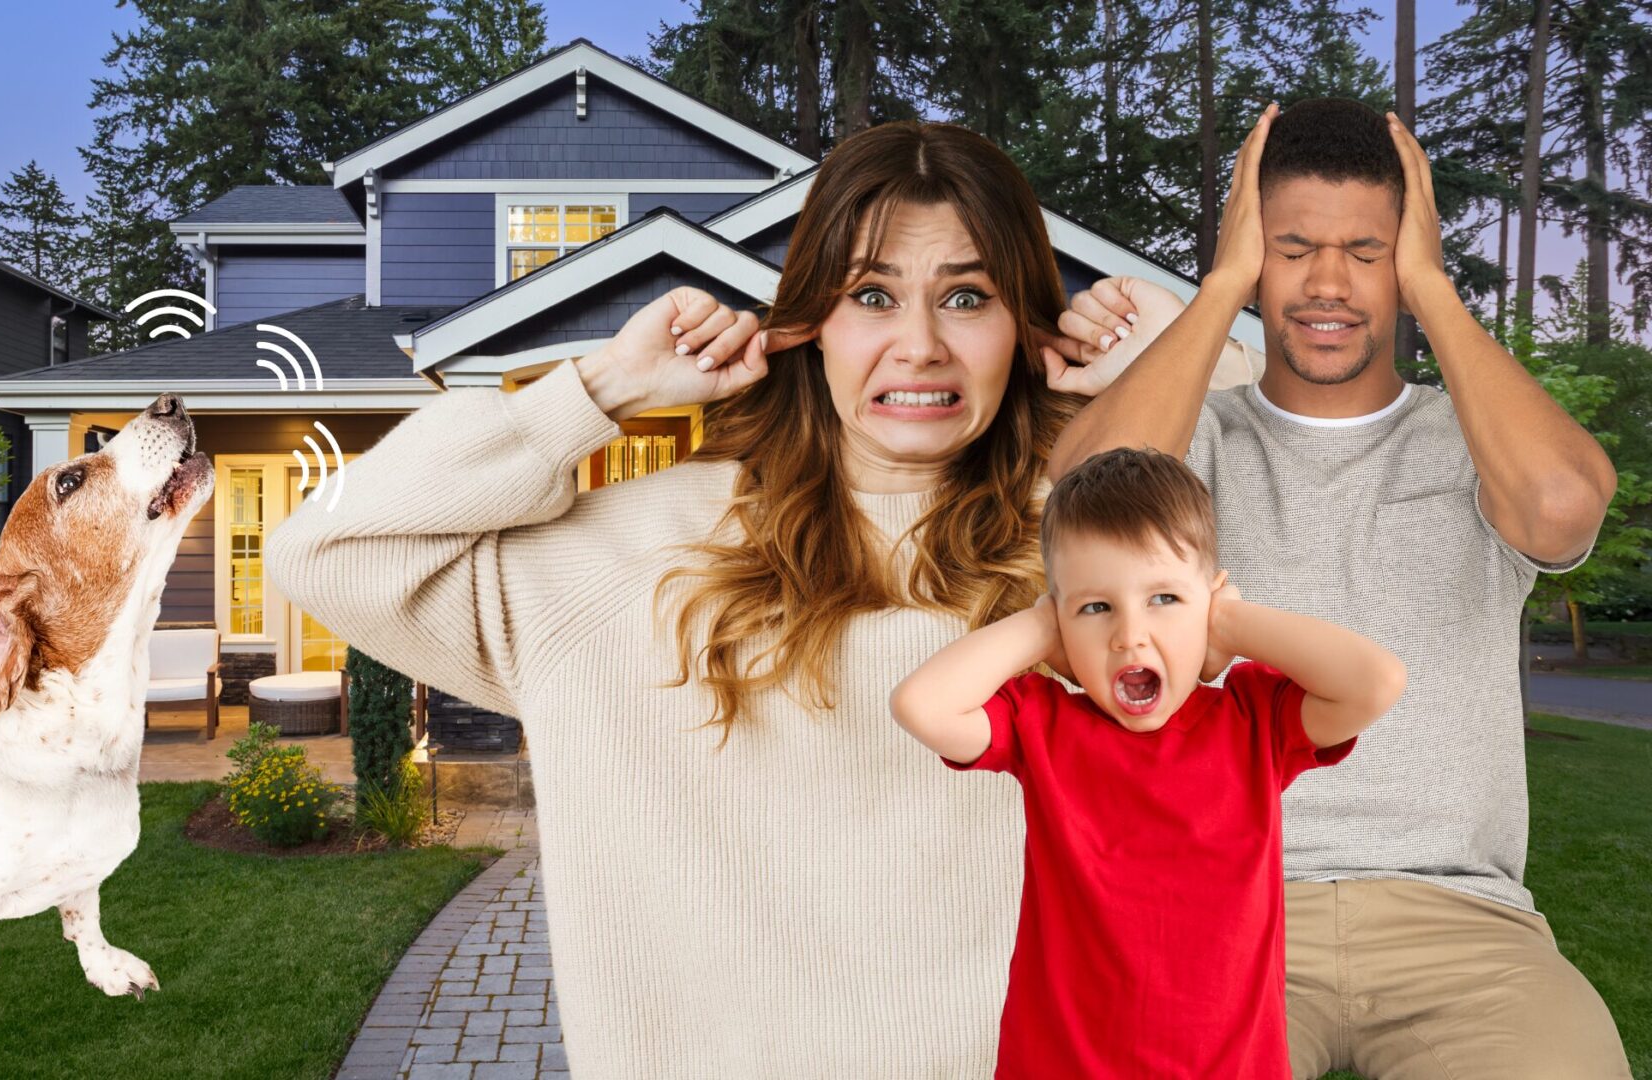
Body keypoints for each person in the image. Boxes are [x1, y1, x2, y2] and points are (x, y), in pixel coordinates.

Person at [263, 120, 1239, 1076]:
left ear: (1023, 327)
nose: (921, 344)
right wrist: (600, 387)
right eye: (872, 293)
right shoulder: (628, 557)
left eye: (968, 297)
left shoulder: (1104, 559)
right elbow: (327, 549)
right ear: (812, 322)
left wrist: (1206, 366)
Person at [1047, 99, 1630, 1078]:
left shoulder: (1477, 441)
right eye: (1291, 247)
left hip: (1465, 927)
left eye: (1366, 250)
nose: (1328, 282)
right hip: (1221, 913)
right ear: (1250, 255)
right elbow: (1082, 505)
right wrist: (1219, 285)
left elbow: (1564, 506)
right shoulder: (1204, 438)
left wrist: (1433, 289)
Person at [892, 446, 1404, 1078]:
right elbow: (921, 706)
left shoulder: (1255, 723)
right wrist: (1039, 623)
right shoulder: (1043, 724)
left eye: (1163, 598)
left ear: (1210, 605)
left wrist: (1234, 623)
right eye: (1096, 607)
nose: (1129, 634)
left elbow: (1375, 681)